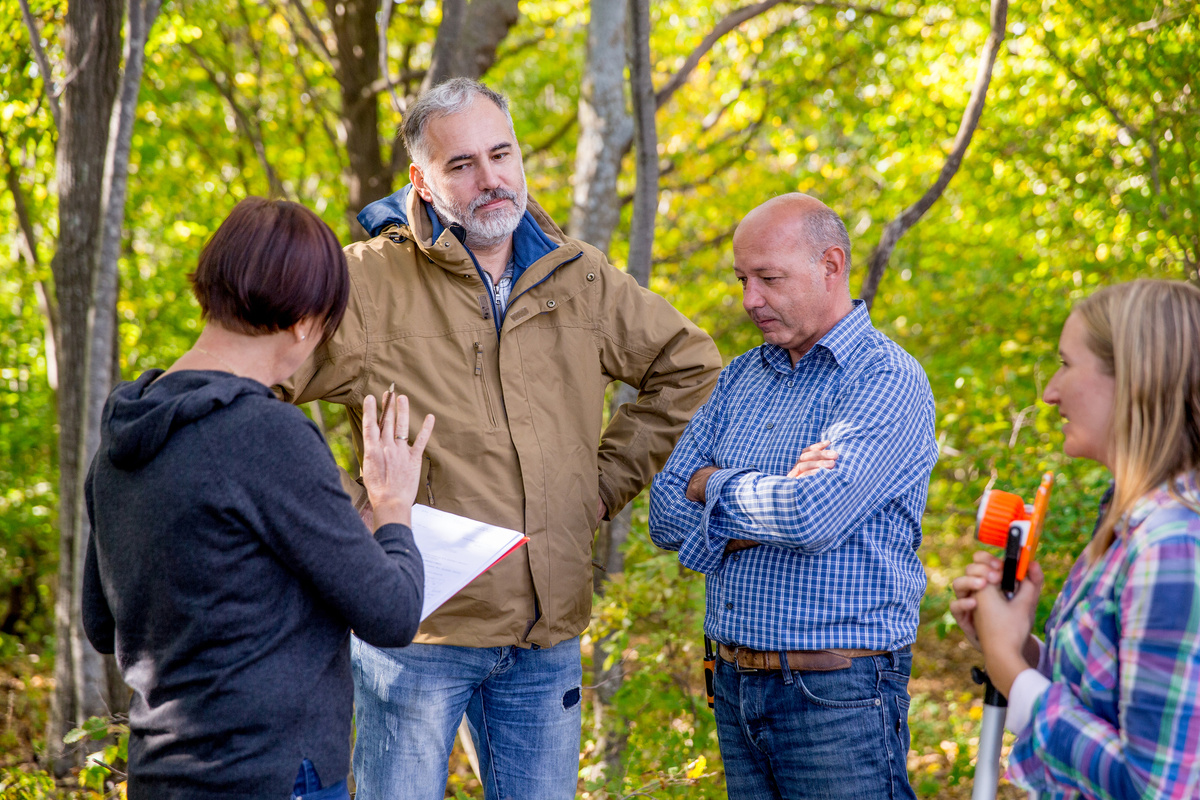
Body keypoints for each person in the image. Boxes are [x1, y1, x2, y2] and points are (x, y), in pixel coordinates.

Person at [278, 78, 721, 800]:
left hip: (547, 637)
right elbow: (253, 388)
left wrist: (599, 486)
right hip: (418, 635)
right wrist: (342, 519)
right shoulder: (364, 284)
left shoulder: (579, 276)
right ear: (421, 181)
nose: (490, 179)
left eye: (501, 154)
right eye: (461, 165)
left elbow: (690, 367)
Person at [82, 197, 433, 800]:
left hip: (160, 774)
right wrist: (393, 506)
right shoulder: (267, 434)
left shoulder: (125, 429)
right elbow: (393, 614)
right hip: (273, 771)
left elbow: (101, 623)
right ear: (304, 320)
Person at [649, 193, 938, 799]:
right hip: (734, 685)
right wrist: (776, 490)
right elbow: (666, 511)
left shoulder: (885, 377)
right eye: (742, 280)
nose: (750, 299)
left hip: (837, 692)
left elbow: (810, 517)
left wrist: (714, 482)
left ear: (831, 265)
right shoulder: (741, 377)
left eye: (769, 278)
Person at [951, 280, 1200, 799]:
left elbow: (1155, 787)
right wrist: (1018, 644)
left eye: (1066, 364)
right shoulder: (1127, 521)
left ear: (1133, 379)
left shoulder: (1171, 543)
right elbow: (1108, 699)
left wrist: (1010, 670)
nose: (1050, 392)